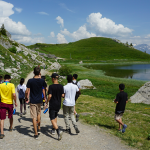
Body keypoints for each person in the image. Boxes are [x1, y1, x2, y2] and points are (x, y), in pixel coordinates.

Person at [25, 67, 46, 139]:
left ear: (33, 73)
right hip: (40, 100)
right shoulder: (42, 81)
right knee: (38, 114)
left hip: (33, 100)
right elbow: (45, 88)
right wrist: (44, 97)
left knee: (33, 116)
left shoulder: (30, 81)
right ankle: (39, 127)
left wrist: (26, 97)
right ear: (40, 73)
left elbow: (27, 91)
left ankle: (36, 133)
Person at [44, 73, 64, 141]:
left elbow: (49, 96)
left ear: (53, 78)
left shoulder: (51, 87)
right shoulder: (61, 86)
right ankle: (53, 129)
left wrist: (46, 103)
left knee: (52, 117)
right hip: (58, 104)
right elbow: (63, 95)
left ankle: (58, 131)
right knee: (55, 116)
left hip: (53, 104)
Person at [0, 74, 17, 139]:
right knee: (11, 115)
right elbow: (14, 95)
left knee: (2, 118)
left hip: (3, 103)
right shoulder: (12, 85)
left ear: (4, 79)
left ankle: (2, 132)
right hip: (10, 103)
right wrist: (15, 102)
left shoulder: (0, 85)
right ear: (9, 79)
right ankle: (10, 127)